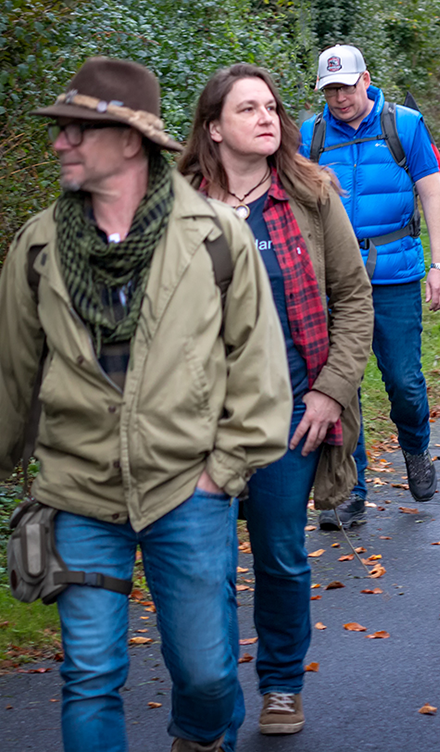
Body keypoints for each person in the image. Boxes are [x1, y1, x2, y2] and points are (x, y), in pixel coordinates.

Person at [0, 57, 291, 752]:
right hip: (77, 492)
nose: (60, 142)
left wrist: (221, 471)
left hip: (185, 489)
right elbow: (11, 376)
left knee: (208, 675)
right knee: (90, 674)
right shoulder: (38, 245)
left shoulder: (215, 237)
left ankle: (197, 737)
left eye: (77, 129)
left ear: (129, 140)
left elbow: (260, 373)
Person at [178, 63, 373, 738]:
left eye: (272, 108)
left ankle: (282, 683)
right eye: (248, 109)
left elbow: (352, 296)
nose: (267, 118)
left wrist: (329, 393)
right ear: (213, 128)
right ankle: (208, 697)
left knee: (280, 555)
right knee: (205, 568)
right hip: (194, 422)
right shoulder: (172, 205)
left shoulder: (311, 194)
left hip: (291, 414)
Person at [298, 44, 440, 527]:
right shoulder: (312, 134)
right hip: (334, 282)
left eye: (346, 86)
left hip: (395, 273)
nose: (339, 98)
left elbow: (431, 192)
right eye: (330, 89)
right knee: (342, 386)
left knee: (404, 382)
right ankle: (350, 489)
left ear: (366, 80)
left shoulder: (403, 125)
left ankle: (415, 448)